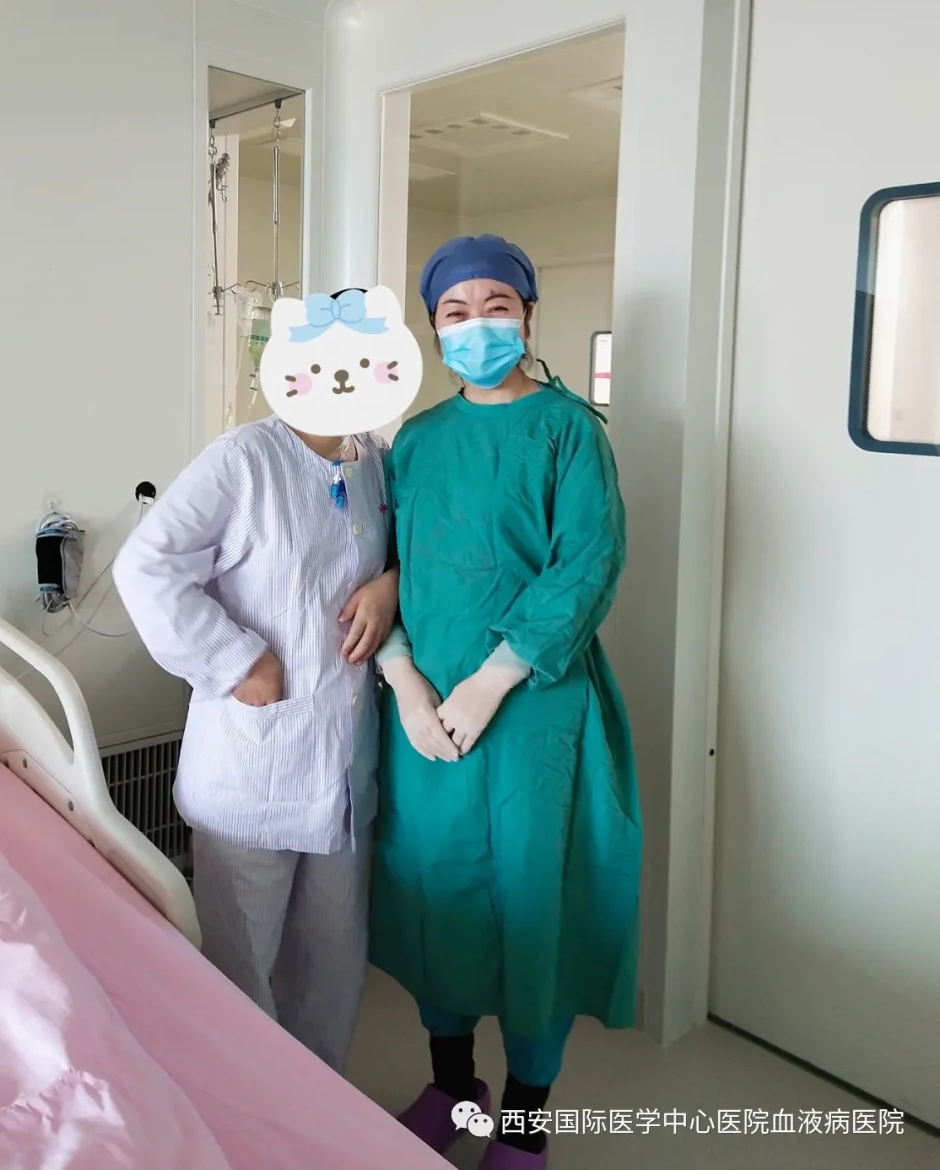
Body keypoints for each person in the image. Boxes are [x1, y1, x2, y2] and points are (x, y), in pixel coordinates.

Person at [372, 235, 642, 1169]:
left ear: (529, 316)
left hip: (535, 709)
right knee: (438, 891)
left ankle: (524, 1119)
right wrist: (403, 676)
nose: (477, 325)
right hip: (429, 713)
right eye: (456, 311)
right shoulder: (416, 440)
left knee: (534, 897)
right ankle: (455, 1087)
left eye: (497, 306)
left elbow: (587, 564)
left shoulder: (570, 431)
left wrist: (494, 677)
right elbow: (384, 568)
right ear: (433, 327)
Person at [113, 301, 398, 1075]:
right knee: (239, 978)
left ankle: (314, 1109)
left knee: (331, 968)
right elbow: (146, 566)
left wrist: (392, 584)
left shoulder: (373, 459)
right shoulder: (244, 459)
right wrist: (236, 660)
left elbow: (403, 550)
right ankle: (244, 1115)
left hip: (342, 768)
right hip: (254, 765)